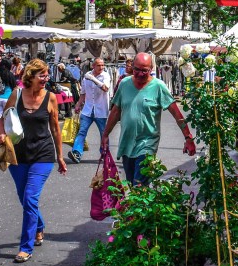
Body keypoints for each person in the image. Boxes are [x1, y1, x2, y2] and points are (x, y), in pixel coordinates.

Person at [0, 59, 66, 263]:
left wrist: (60, 156)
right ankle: (39, 226)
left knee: (30, 197)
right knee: (24, 197)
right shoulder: (16, 95)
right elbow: (2, 120)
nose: (46, 79)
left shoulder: (51, 97)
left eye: (47, 75)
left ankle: (25, 247)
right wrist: (0, 135)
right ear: (30, 76)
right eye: (41, 75)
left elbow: (55, 129)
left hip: (43, 154)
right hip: (18, 155)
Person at [100, 53, 195, 185]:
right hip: (127, 143)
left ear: (151, 69)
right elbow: (116, 111)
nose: (139, 73)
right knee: (132, 187)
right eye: (136, 69)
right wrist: (105, 134)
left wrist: (188, 138)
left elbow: (177, 114)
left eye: (144, 70)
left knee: (139, 186)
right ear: (132, 67)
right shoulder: (124, 84)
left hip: (147, 145)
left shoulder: (158, 86)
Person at [68, 58, 112, 163]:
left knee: (103, 134)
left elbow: (105, 88)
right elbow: (83, 93)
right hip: (87, 110)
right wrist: (78, 105)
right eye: (99, 65)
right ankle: (77, 153)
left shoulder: (105, 75)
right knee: (82, 132)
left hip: (101, 111)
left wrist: (93, 79)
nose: (101, 67)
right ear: (93, 66)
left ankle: (104, 154)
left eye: (102, 65)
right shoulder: (86, 76)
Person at [0, 58, 18, 131]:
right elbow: (14, 87)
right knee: (8, 118)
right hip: (8, 99)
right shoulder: (10, 75)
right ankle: (6, 138)